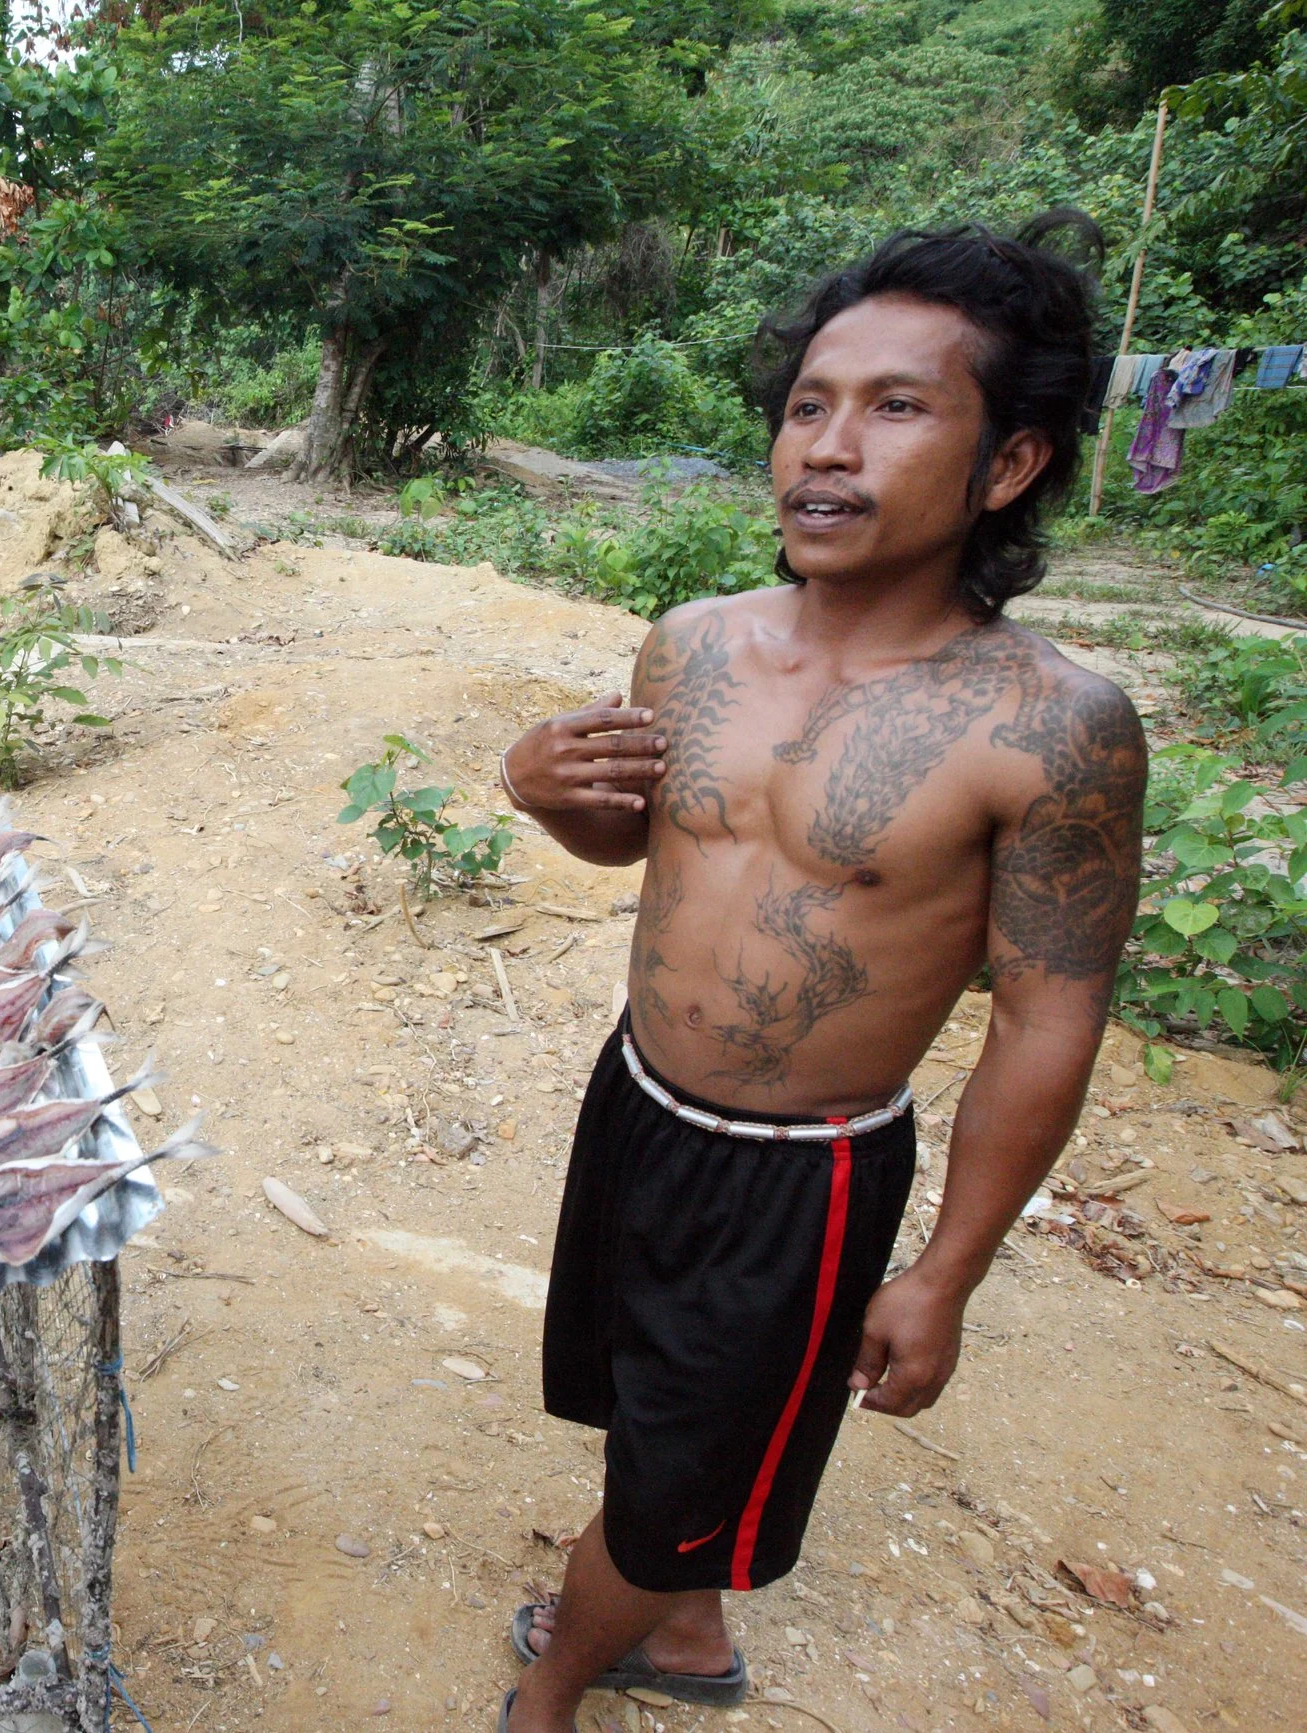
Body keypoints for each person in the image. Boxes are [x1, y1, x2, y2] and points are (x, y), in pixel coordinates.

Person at [492, 220, 1147, 1733]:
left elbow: (1050, 1015)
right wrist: (548, 794)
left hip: (806, 1177)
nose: (829, 450)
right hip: (639, 1101)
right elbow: (647, 852)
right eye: (809, 403)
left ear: (1010, 466)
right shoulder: (695, 645)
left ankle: (554, 1688)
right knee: (648, 1407)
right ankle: (691, 1636)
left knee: (668, 1489)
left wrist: (945, 1272)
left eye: (898, 408)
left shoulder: (1055, 727)